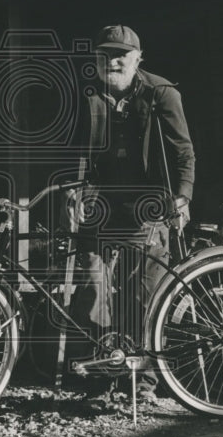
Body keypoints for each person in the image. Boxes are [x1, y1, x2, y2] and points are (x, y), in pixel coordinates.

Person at [69, 24, 195, 405]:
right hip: (101, 205)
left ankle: (141, 386)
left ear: (138, 58)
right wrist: (71, 189)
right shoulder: (87, 94)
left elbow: (183, 151)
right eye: (105, 55)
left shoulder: (161, 93)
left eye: (121, 55)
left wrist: (183, 198)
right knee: (92, 290)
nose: (113, 61)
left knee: (143, 298)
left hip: (149, 207)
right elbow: (73, 149)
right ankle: (98, 380)